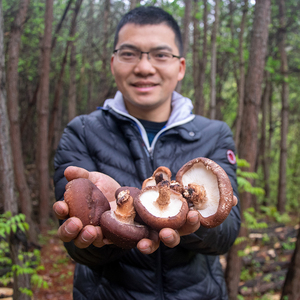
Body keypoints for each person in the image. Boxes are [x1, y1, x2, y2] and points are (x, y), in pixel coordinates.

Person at [53, 6, 241, 300]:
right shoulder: (82, 131)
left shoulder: (214, 134)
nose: (144, 67)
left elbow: (226, 235)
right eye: (129, 54)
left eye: (160, 55)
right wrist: (113, 225)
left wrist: (191, 220)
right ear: (113, 62)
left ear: (180, 67)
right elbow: (78, 246)